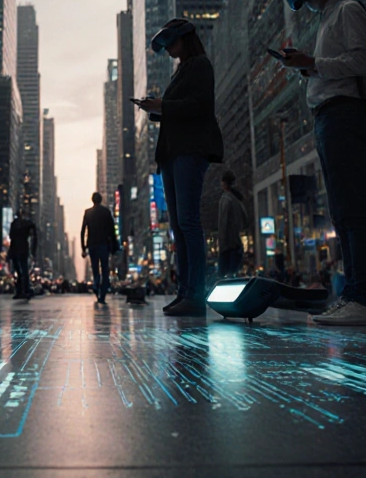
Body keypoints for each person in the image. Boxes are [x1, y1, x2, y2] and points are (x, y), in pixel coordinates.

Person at [276, 0, 366, 326]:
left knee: (354, 206)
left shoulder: (347, 11)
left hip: (345, 113)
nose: (306, 0)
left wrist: (314, 63)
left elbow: (363, 61)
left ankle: (365, 297)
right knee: (343, 208)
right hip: (329, 115)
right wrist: (309, 66)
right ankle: (355, 293)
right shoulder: (329, 19)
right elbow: (339, 65)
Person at [137, 19, 225, 317]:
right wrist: (157, 109)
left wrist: (162, 106)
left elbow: (199, 106)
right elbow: (181, 108)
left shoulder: (200, 65)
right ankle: (185, 292)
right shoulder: (182, 69)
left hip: (190, 151)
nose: (170, 51)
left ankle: (195, 293)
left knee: (188, 223)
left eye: (172, 44)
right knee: (178, 227)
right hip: (174, 153)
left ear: (184, 39)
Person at [81, 192, 119, 305]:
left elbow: (83, 231)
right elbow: (112, 230)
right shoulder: (106, 212)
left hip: (92, 244)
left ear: (92, 200)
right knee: (105, 268)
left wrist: (83, 247)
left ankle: (96, 285)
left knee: (95, 269)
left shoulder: (88, 213)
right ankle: (102, 294)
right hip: (104, 245)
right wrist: (114, 245)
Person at [217, 171, 247, 279]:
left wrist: (221, 241)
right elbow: (245, 219)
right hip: (236, 242)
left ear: (224, 184)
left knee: (222, 276)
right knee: (233, 274)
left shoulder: (225, 199)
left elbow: (223, 223)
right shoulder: (237, 200)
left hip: (228, 244)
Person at [8, 212, 39, 299]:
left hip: (15, 249)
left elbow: (11, 236)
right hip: (22, 249)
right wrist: (33, 251)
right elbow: (34, 235)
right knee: (23, 271)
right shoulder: (27, 224)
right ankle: (24, 290)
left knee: (20, 271)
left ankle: (21, 290)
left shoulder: (15, 224)